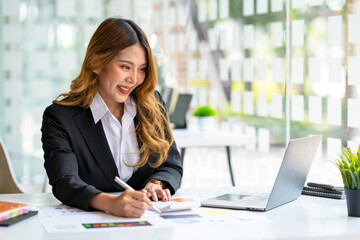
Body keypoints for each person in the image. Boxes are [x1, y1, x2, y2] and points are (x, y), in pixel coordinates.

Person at [41, 17, 183, 218]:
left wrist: (156, 183)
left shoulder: (152, 103)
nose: (134, 79)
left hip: (148, 224)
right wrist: (110, 203)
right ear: (97, 63)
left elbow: (171, 164)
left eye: (141, 69)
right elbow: (64, 181)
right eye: (125, 67)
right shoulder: (60, 117)